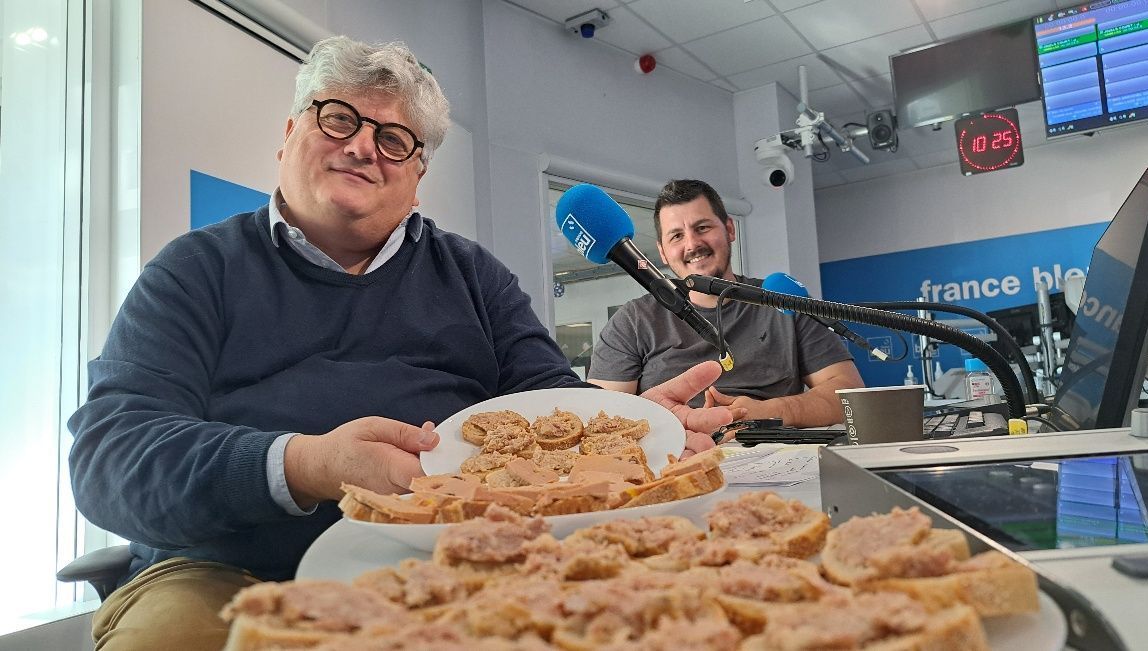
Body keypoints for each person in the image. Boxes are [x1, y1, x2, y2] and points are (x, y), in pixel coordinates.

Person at [67, 38, 737, 650]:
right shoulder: (194, 270)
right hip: (219, 568)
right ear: (290, 132)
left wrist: (633, 428)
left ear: (417, 176)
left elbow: (548, 408)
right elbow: (110, 455)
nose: (363, 146)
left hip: (448, 549)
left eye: (393, 139)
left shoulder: (475, 277)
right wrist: (305, 463)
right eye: (338, 119)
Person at [589, 179, 864, 428]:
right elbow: (600, 419)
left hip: (778, 460)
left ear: (729, 229)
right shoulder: (634, 321)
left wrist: (767, 411)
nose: (693, 244)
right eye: (676, 236)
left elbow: (848, 394)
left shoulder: (783, 302)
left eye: (703, 228)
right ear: (662, 252)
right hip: (676, 463)